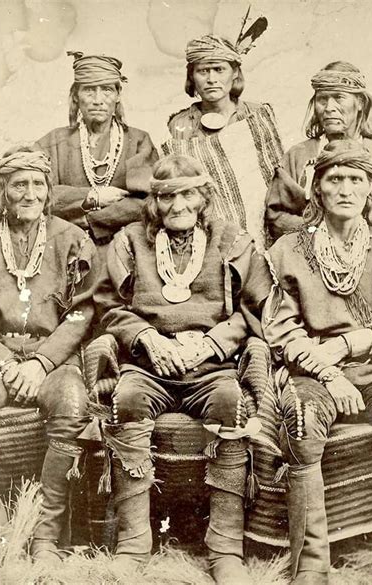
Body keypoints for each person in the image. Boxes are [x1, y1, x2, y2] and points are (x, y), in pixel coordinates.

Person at [91, 154, 271, 584]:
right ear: (154, 201)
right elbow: (107, 306)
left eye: (188, 194)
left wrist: (212, 341)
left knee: (231, 401)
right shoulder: (130, 240)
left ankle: (224, 548)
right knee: (128, 399)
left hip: (210, 367)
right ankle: (134, 544)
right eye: (167, 196)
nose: (178, 205)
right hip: (149, 365)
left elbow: (256, 309)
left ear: (204, 197)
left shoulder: (233, 241)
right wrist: (149, 339)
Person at [0, 147, 98, 562]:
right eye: (18, 184)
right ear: (2, 191)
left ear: (48, 192)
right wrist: (7, 365)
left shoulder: (73, 239)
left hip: (54, 361)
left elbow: (83, 311)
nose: (29, 193)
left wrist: (42, 363)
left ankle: (46, 536)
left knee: (72, 403)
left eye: (38, 184)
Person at [262, 140, 372, 584]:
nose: (346, 189)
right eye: (334, 179)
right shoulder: (289, 249)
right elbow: (281, 330)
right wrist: (329, 372)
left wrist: (352, 344)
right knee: (303, 428)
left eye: (356, 180)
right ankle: (310, 569)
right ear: (317, 190)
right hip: (312, 375)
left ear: (370, 189)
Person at [163, 34, 283, 252]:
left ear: (235, 72)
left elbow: (276, 177)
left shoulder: (257, 115)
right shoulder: (180, 124)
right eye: (203, 71)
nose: (211, 79)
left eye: (219, 69)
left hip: (266, 226)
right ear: (192, 76)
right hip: (211, 235)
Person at [266, 61, 372, 241]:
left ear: (360, 103)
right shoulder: (298, 155)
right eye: (322, 99)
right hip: (310, 249)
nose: (329, 108)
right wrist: (319, 233)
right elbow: (277, 216)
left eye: (339, 97)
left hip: (371, 249)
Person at [36, 52, 158, 247]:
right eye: (89, 90)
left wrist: (93, 221)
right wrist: (93, 196)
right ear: (76, 96)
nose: (98, 99)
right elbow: (39, 195)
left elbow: (147, 201)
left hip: (125, 246)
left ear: (118, 95)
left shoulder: (138, 141)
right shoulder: (53, 142)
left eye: (107, 90)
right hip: (65, 244)